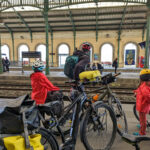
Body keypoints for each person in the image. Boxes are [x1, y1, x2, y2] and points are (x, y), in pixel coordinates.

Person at [133, 69, 150, 135]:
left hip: (143, 106)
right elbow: (139, 90)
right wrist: (136, 92)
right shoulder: (145, 85)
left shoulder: (144, 86)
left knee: (143, 120)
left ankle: (142, 132)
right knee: (142, 118)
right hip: (144, 105)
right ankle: (142, 125)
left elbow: (147, 95)